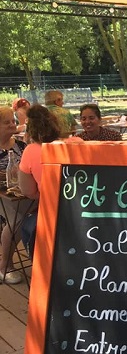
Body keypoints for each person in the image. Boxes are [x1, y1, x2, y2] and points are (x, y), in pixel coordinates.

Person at [18, 105, 62, 267]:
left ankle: (39, 268)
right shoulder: (75, 142)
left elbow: (28, 191)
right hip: (84, 210)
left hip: (52, 215)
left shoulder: (31, 150)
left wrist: (48, 194)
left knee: (26, 224)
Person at [0, 107, 28, 284]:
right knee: (18, 218)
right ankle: (5, 266)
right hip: (4, 196)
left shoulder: (20, 145)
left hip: (20, 194)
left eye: (13, 121)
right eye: (7, 122)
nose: (12, 124)